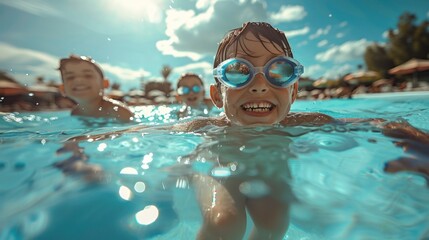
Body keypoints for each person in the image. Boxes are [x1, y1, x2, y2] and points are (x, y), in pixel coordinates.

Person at [58, 55, 133, 122]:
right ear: (62, 88)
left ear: (104, 84)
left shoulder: (118, 110)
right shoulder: (75, 113)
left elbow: (132, 131)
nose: (78, 80)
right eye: (70, 77)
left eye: (87, 75)